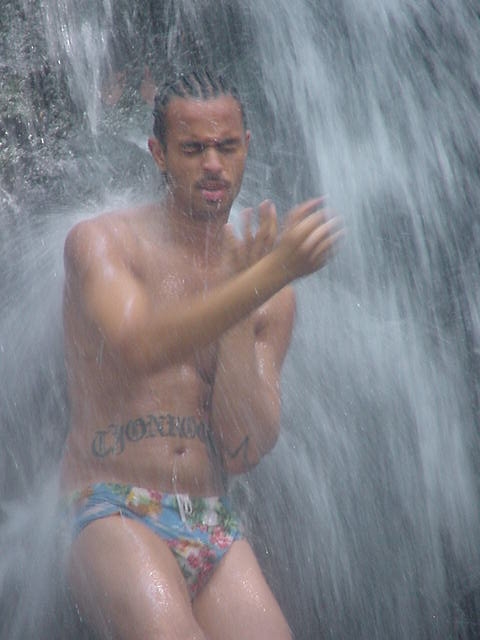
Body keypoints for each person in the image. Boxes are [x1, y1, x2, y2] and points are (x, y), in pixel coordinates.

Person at [60, 68, 342, 640]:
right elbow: (138, 345)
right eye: (193, 149)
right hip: (112, 507)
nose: (213, 164)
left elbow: (243, 449)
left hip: (211, 519)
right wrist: (261, 279)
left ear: (246, 148)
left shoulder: (270, 292)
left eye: (227, 146)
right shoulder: (103, 243)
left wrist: (246, 298)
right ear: (159, 154)